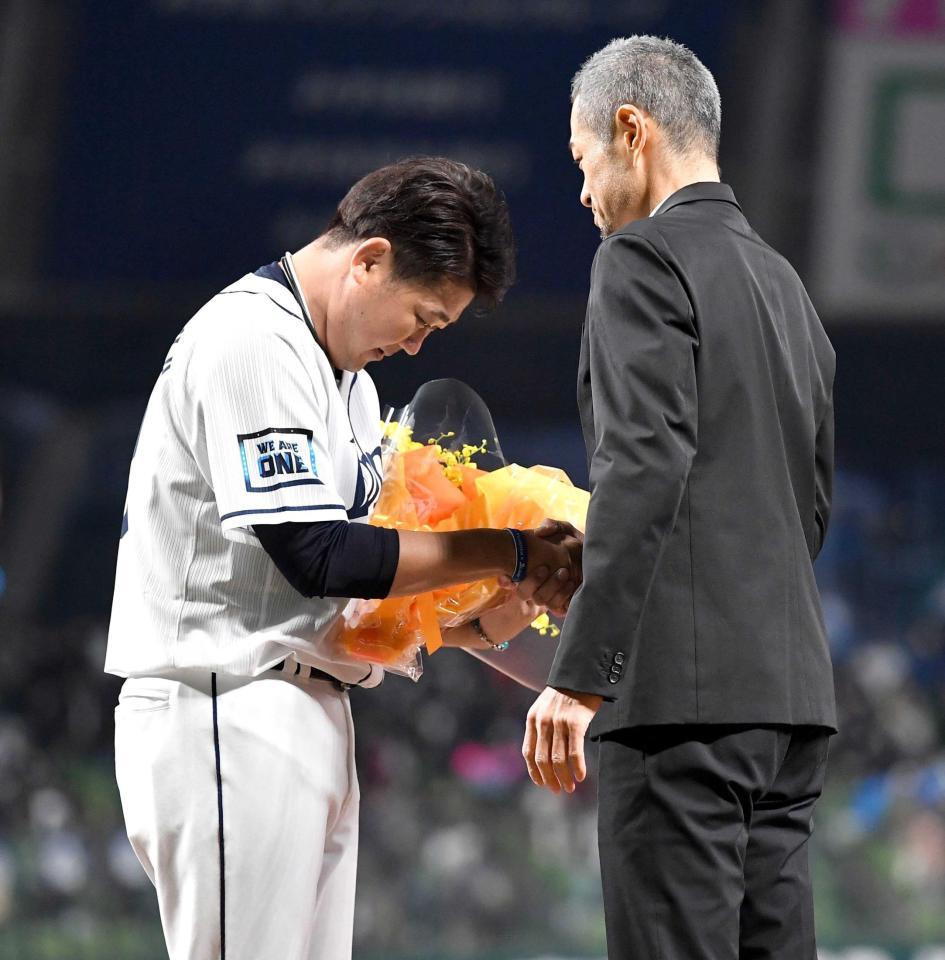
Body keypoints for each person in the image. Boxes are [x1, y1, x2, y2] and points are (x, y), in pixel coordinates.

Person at [105, 156, 581, 960]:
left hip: (303, 703)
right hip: (227, 702)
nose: (421, 341)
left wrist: (484, 615)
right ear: (369, 259)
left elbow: (363, 592)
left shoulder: (349, 377)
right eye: (423, 314)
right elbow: (315, 554)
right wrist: (504, 551)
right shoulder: (254, 339)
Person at [521, 37, 837, 960]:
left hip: (677, 710)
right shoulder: (785, 285)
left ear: (632, 129)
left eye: (583, 164)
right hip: (785, 705)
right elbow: (802, 507)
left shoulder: (639, 261)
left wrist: (580, 677)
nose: (582, 194)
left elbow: (644, 464)